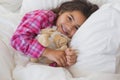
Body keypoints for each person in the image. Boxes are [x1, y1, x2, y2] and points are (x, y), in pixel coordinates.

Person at [10, 0, 98, 67]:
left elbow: (52, 61)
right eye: (70, 18)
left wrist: (67, 59)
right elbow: (17, 39)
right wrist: (47, 52)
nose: (69, 27)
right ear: (61, 12)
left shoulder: (65, 39)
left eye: (76, 27)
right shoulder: (44, 16)